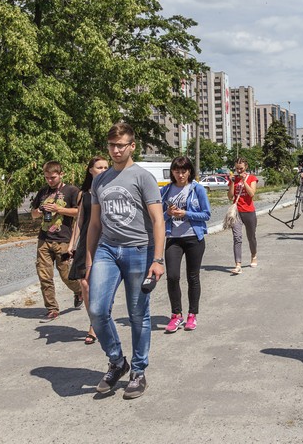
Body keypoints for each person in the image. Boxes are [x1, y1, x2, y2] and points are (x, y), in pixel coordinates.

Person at [85, 122, 165, 399]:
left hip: (139, 251)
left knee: (137, 314)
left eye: (121, 145)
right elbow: (94, 224)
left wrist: (158, 259)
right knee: (96, 309)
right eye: (111, 145)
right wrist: (89, 257)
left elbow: (157, 220)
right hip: (107, 249)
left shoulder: (142, 177)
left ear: (132, 146)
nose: (116, 150)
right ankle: (117, 361)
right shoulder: (100, 180)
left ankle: (138, 371)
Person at [161, 156, 211, 333]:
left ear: (190, 172)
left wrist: (186, 213)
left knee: (193, 277)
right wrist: (168, 213)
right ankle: (176, 315)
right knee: (172, 276)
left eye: (184, 171)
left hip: (193, 238)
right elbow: (159, 217)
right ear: (172, 172)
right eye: (177, 171)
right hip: (172, 238)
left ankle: (192, 314)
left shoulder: (197, 189)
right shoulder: (166, 190)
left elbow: (206, 214)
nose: (180, 175)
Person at [31, 160, 82, 322]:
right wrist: (40, 211)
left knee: (66, 275)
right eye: (47, 177)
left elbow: (80, 213)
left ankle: (80, 291)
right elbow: (33, 214)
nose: (50, 180)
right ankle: (52, 309)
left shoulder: (72, 191)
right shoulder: (43, 192)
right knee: (44, 276)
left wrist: (58, 209)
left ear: (61, 174)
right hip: (44, 239)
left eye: (53, 177)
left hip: (63, 240)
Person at [68, 156, 110, 343]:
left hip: (106, 240)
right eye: (99, 167)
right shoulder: (83, 194)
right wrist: (72, 243)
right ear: (90, 170)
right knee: (84, 284)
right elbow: (80, 220)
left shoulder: (110, 189)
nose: (103, 170)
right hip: (86, 240)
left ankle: (97, 325)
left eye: (105, 167)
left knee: (97, 284)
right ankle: (94, 321)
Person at [228, 158, 258, 274]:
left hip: (249, 211)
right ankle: (238, 264)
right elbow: (230, 197)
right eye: (237, 168)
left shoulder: (252, 178)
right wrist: (232, 183)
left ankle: (254, 255)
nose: (239, 171)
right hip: (236, 212)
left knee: (251, 237)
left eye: (241, 168)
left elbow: (251, 194)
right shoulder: (234, 179)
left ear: (246, 167)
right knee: (237, 238)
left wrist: (244, 181)